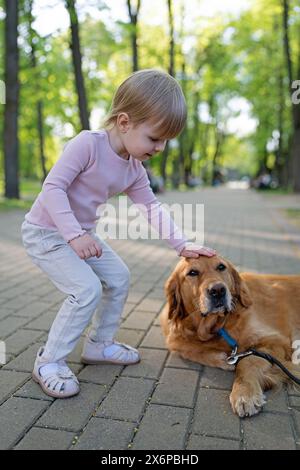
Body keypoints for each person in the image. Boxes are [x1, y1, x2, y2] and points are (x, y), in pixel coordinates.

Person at [21, 69, 216, 399]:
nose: (160, 147)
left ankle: (99, 344)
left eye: (166, 140)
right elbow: (53, 187)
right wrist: (73, 235)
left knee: (120, 277)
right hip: (46, 233)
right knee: (86, 290)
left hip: (80, 234)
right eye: (154, 138)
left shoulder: (133, 168)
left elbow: (152, 208)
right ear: (124, 122)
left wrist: (181, 244)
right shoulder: (87, 145)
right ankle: (49, 361)